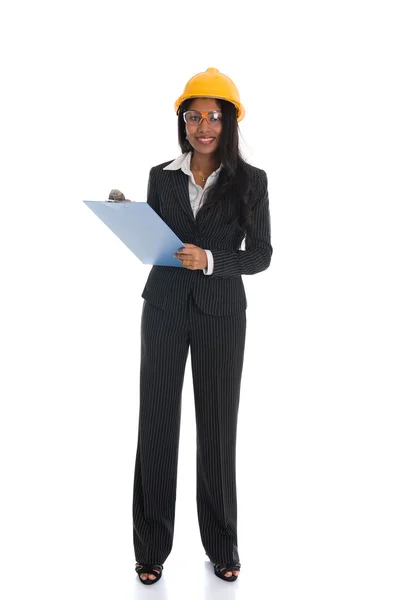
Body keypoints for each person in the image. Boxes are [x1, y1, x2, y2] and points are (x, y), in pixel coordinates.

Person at [130, 67, 273, 585]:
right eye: (195, 116)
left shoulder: (250, 181)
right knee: (157, 427)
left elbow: (259, 254)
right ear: (183, 122)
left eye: (214, 116)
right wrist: (129, 217)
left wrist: (211, 260)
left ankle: (223, 545)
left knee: (216, 432)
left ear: (230, 122)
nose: (204, 126)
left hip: (220, 314)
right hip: (164, 308)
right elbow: (154, 238)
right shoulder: (161, 175)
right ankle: (150, 550)